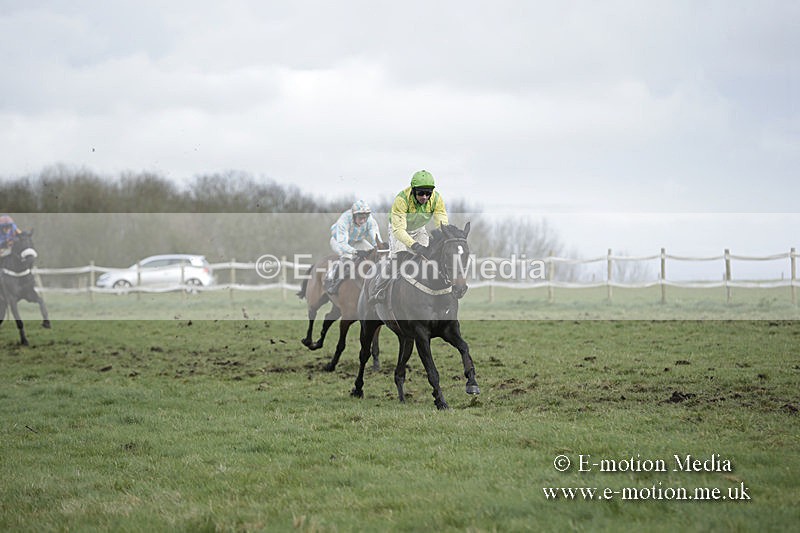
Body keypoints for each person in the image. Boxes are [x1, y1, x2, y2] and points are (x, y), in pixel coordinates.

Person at [370, 170, 448, 302]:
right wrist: (414, 245)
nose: (424, 197)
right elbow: (399, 230)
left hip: (418, 229)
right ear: (413, 190)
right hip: (398, 230)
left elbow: (442, 223)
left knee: (427, 257)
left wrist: (445, 235)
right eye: (421, 193)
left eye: (428, 193)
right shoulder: (401, 200)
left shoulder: (436, 199)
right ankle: (379, 288)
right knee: (398, 258)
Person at [324, 200, 382, 295]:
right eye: (360, 218)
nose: (363, 221)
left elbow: (376, 238)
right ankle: (334, 283)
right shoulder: (344, 220)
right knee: (347, 256)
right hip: (338, 241)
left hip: (357, 241)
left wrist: (378, 247)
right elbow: (343, 244)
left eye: (365, 217)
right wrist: (356, 252)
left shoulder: (370, 221)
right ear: (354, 215)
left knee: (373, 252)